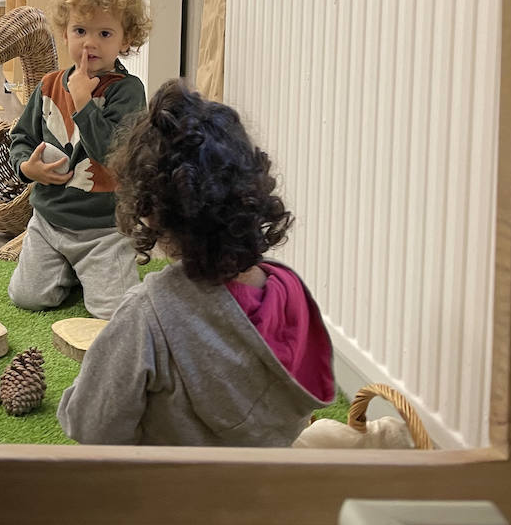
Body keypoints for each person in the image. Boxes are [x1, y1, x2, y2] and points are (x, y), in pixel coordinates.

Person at [57, 79, 335, 446]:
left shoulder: (146, 316)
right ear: (249, 190)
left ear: (151, 213)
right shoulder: (291, 293)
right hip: (265, 493)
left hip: (171, 498)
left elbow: (91, 427)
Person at [6, 0, 150, 319]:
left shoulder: (127, 92)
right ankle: (70, 270)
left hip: (105, 230)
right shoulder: (48, 85)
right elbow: (21, 137)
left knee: (115, 311)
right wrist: (27, 167)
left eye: (104, 33)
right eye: (80, 31)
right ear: (65, 33)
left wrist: (85, 105)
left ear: (125, 40)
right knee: (27, 297)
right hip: (49, 222)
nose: (90, 43)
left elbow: (115, 157)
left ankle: (93, 269)